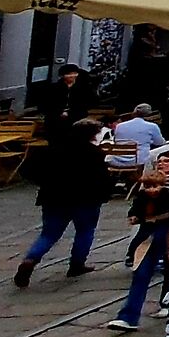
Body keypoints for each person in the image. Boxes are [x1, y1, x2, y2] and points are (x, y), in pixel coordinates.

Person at [14, 118, 115, 286]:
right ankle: (77, 264)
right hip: (86, 199)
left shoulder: (51, 149)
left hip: (54, 198)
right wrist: (105, 193)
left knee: (49, 234)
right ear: (91, 135)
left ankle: (30, 260)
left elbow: (26, 170)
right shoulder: (93, 152)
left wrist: (45, 182)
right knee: (85, 231)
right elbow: (102, 177)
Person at [107, 149, 169, 332]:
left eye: (167, 161)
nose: (162, 164)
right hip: (148, 237)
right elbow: (137, 207)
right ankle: (128, 317)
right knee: (141, 274)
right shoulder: (147, 187)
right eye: (160, 161)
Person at [105, 105, 163, 172]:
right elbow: (160, 143)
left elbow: (116, 142)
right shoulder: (152, 126)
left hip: (118, 161)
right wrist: (150, 141)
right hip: (139, 162)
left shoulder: (119, 126)